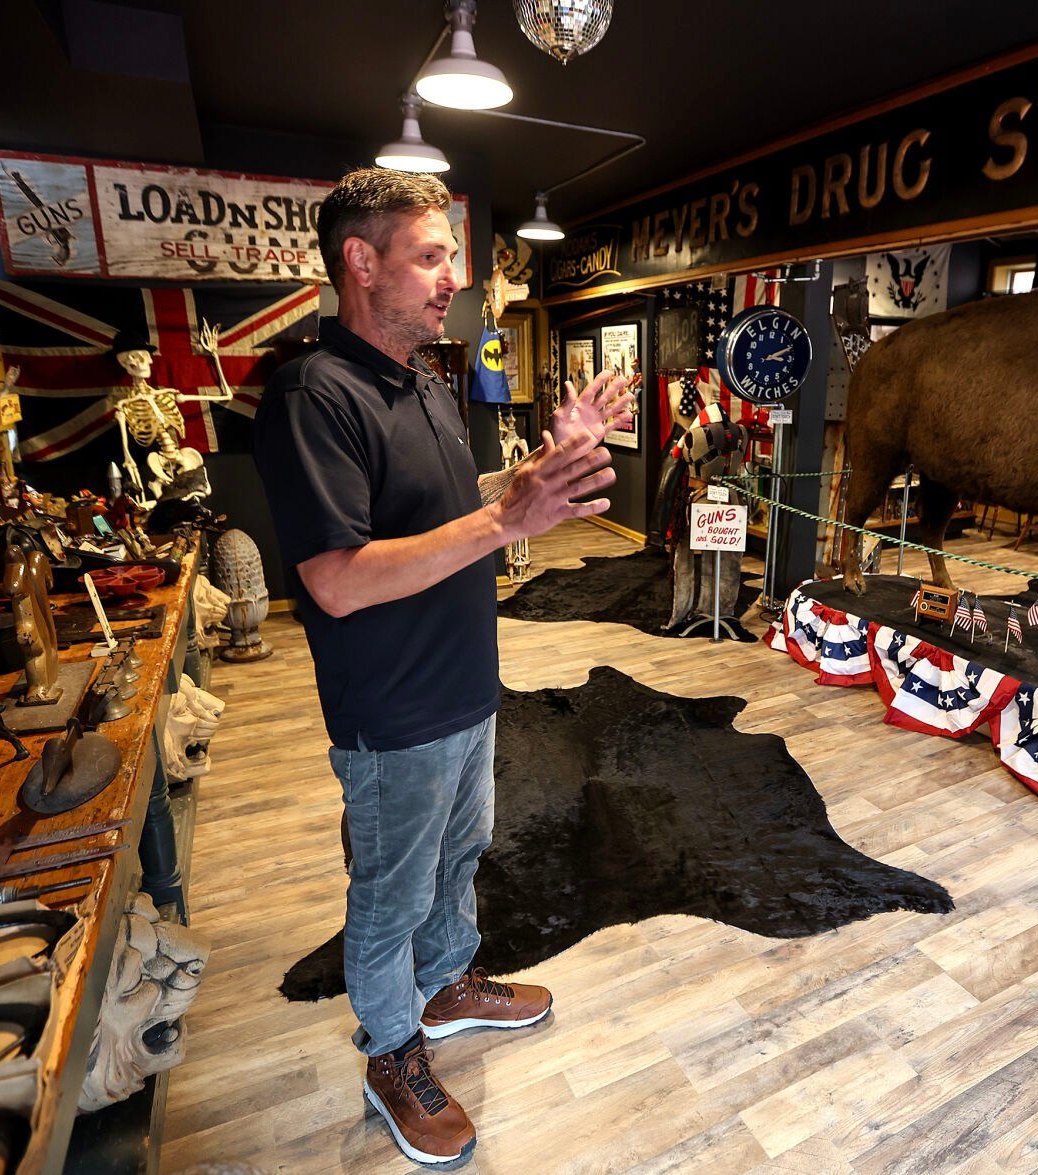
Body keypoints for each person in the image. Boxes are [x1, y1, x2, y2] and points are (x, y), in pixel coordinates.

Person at [252, 168, 633, 1167]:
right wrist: (509, 516)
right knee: (389, 891)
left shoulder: (423, 379)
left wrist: (547, 462)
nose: (450, 280)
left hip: (466, 682)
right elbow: (334, 578)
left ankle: (448, 983)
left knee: (458, 860)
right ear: (358, 261)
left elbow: (447, 508)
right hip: (390, 708)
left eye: (450, 258)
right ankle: (390, 1048)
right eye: (428, 256)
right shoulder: (309, 392)